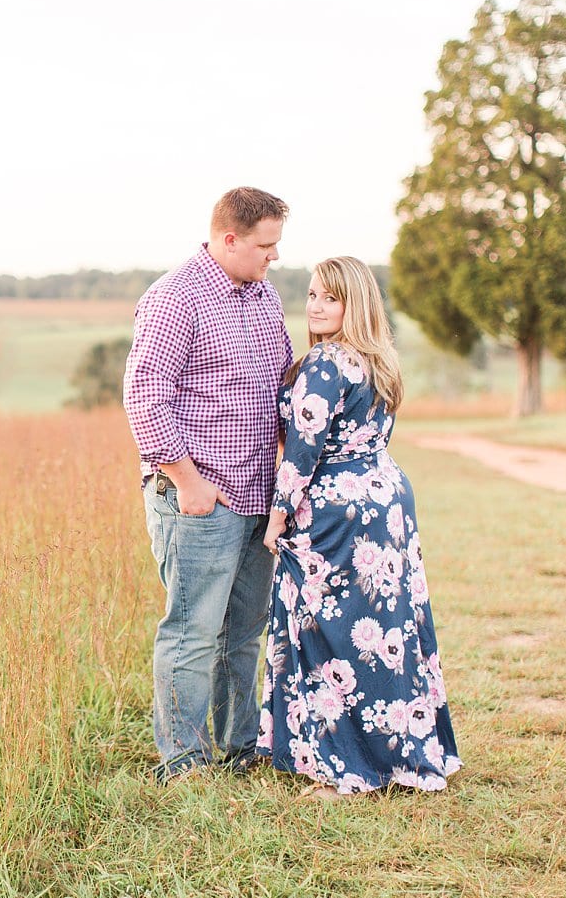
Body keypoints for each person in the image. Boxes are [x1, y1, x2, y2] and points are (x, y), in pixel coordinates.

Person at [257, 256, 461, 797]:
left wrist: (277, 518)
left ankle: (340, 766)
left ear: (355, 304)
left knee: (328, 635)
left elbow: (302, 453)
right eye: (312, 295)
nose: (316, 306)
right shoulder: (378, 360)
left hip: (335, 513)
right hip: (385, 499)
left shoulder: (325, 363)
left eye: (330, 297)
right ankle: (403, 754)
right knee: (388, 630)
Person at [123, 186, 294, 784]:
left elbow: (282, 385)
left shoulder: (264, 296)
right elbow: (145, 397)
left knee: (243, 635)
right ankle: (185, 764)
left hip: (257, 495)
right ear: (229, 239)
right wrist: (185, 479)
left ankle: (241, 748)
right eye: (265, 246)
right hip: (199, 498)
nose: (274, 257)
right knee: (193, 635)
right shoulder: (176, 298)